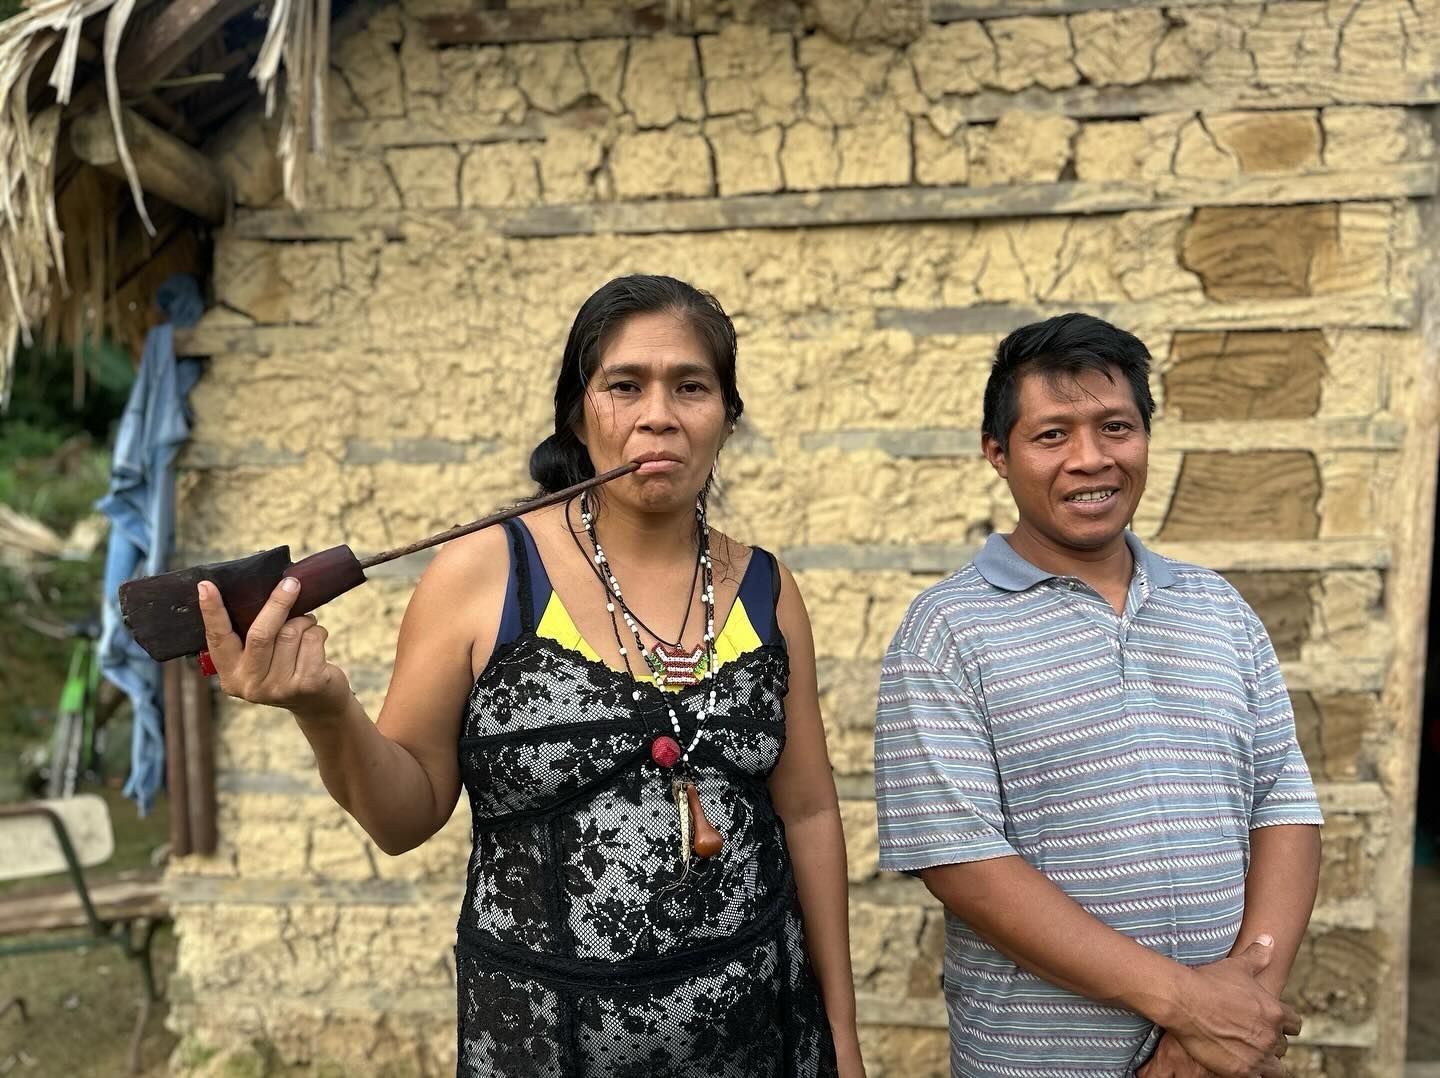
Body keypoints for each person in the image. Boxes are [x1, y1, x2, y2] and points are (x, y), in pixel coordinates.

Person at [198, 275, 865, 1077]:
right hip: (543, 1045)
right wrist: (326, 709)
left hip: (764, 1039)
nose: (659, 414)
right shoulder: (484, 573)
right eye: (625, 385)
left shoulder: (765, 587)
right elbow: (403, 819)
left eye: (691, 387)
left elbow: (809, 811)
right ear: (579, 417)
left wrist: (842, 1035)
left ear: (726, 416)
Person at [873, 313, 1324, 1078]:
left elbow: (1283, 806)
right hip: (1039, 1061)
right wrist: (1189, 1005)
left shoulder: (1217, 609)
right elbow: (963, 862)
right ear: (997, 453)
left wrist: (1235, 1012)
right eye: (1052, 435)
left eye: (1116, 427)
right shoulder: (946, 631)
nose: (1090, 459)